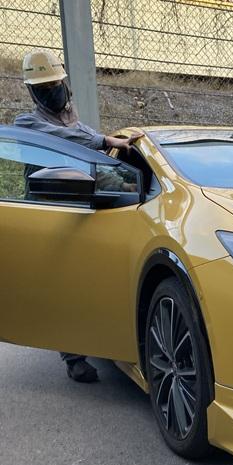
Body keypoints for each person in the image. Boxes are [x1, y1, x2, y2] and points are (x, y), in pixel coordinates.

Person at [14, 50, 143, 383]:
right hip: (50, 211)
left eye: (54, 85)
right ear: (32, 92)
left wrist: (125, 178)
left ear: (64, 84)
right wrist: (104, 140)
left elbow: (89, 157)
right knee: (61, 283)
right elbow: (66, 140)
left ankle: (100, 338)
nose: (51, 92)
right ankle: (73, 357)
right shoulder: (28, 123)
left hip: (84, 205)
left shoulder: (72, 119)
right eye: (43, 89)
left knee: (89, 281)